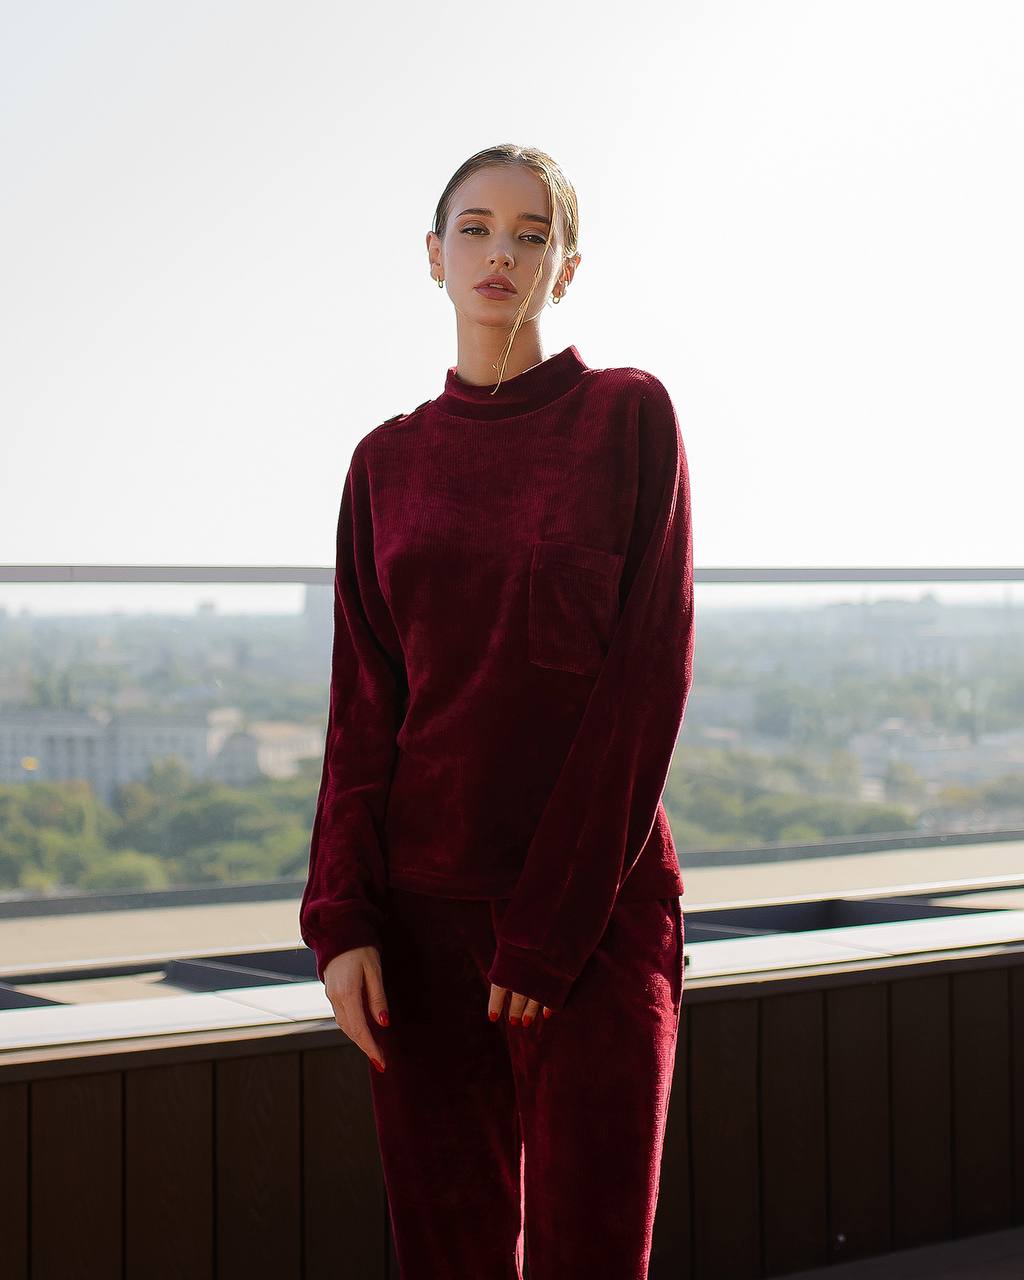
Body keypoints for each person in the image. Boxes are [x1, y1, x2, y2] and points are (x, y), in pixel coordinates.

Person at [299, 142, 695, 1280]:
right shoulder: (386, 462)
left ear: (565, 266)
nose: (500, 253)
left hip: (592, 922)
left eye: (531, 233)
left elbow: (645, 681)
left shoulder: (627, 418)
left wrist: (548, 929)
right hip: (418, 924)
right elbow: (362, 707)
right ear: (433, 256)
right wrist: (341, 918)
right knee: (449, 1255)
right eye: (474, 229)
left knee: (591, 1255)